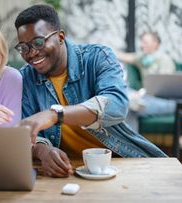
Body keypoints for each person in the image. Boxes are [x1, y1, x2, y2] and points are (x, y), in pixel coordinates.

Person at [14, 4, 167, 178]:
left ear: (61, 36)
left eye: (39, 42)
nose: (32, 53)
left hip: (121, 162)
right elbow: (27, 133)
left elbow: (117, 105)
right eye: (24, 47)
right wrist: (43, 151)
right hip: (69, 170)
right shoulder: (25, 79)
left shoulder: (98, 57)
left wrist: (55, 114)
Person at [115, 32, 177, 131]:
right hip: (147, 97)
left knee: (131, 106)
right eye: (141, 42)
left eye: (145, 42)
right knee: (123, 92)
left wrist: (142, 93)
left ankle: (131, 144)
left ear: (155, 43)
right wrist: (105, 50)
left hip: (164, 100)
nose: (141, 45)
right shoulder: (142, 58)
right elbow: (125, 56)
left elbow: (164, 86)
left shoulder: (164, 59)